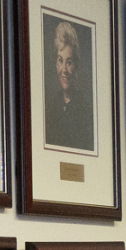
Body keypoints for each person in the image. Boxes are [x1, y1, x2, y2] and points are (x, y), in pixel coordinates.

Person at [44, 19, 95, 152]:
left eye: (69, 62)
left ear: (76, 65)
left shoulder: (86, 111)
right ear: (56, 64)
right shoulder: (50, 106)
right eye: (60, 60)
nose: (64, 70)